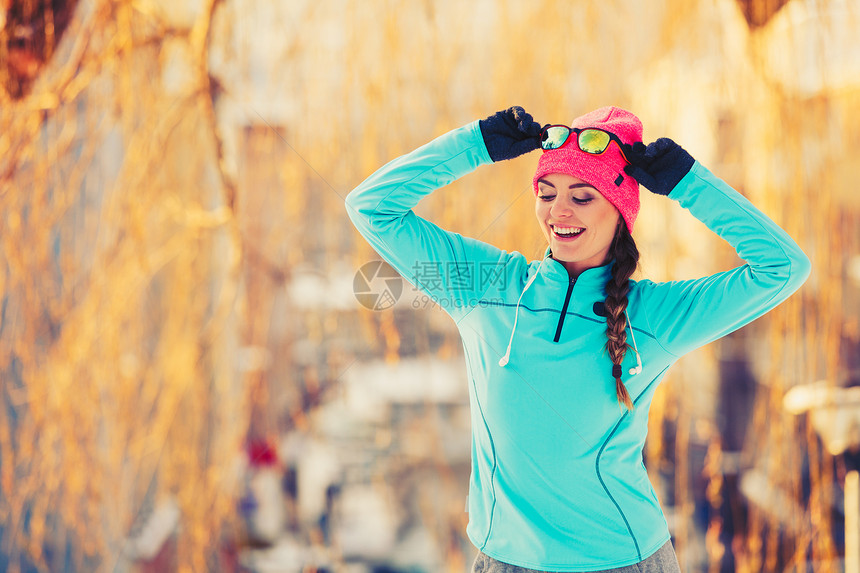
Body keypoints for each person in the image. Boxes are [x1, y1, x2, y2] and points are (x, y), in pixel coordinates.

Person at [344, 106, 811, 573]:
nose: (558, 211)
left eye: (583, 197)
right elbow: (371, 207)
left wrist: (687, 184)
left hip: (622, 561)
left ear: (619, 211)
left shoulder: (652, 316)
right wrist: (477, 143)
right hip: (505, 560)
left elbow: (783, 267)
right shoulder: (487, 287)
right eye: (546, 194)